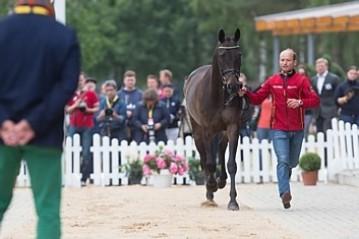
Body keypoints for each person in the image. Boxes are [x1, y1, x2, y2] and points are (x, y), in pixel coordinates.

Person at [0, 1, 80, 238]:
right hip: (44, 134)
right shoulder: (64, 35)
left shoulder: (2, 30)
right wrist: (32, 123)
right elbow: (66, 87)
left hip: (2, 136)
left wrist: (5, 121)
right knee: (47, 210)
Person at [238, 49, 320, 209]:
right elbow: (257, 99)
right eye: (282, 60)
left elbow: (315, 100)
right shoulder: (272, 80)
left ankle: (285, 181)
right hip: (278, 128)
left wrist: (300, 102)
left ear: (294, 62)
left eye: (288, 60)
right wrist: (246, 92)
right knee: (282, 160)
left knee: (292, 162)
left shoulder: (302, 80)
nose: (285, 63)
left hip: (297, 128)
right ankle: (285, 193)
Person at [66, 76, 99, 185]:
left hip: (87, 124)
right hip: (73, 124)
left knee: (86, 152)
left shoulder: (90, 94)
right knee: (70, 150)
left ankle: (84, 177)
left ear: (84, 81)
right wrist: (76, 105)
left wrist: (87, 109)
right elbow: (67, 110)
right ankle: (70, 175)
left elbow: (97, 108)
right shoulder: (70, 93)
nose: (79, 82)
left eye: (81, 80)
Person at [312, 58, 340, 133]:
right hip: (318, 111)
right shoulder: (314, 79)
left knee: (327, 132)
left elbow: (337, 94)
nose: (320, 68)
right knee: (319, 132)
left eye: (322, 66)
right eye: (318, 66)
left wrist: (336, 108)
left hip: (330, 109)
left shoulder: (334, 78)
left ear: (326, 67)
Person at [117, 70, 143, 141]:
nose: (130, 82)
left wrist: (133, 113)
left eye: (132, 80)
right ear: (124, 81)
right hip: (122, 126)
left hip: (136, 125)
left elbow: (142, 108)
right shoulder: (118, 94)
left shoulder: (140, 94)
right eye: (128, 80)